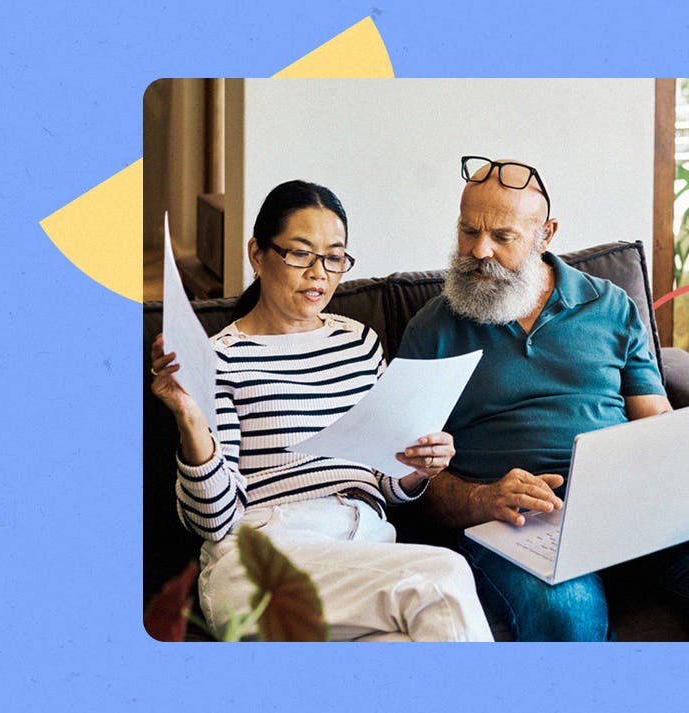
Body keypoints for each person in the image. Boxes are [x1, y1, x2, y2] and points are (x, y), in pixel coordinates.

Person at [396, 156, 689, 641]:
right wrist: (484, 498)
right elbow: (412, 478)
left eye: (502, 237)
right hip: (514, 522)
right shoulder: (433, 328)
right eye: (468, 231)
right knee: (568, 615)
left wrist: (685, 472)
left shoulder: (611, 306)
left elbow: (656, 420)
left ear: (546, 234)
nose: (479, 251)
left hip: (628, 507)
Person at [150, 180, 492, 642]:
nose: (319, 274)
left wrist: (417, 468)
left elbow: (387, 481)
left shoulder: (360, 343)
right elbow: (212, 519)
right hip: (262, 553)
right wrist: (190, 421)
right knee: (443, 576)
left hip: (365, 549)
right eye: (300, 254)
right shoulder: (220, 358)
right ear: (257, 254)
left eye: (334, 257)